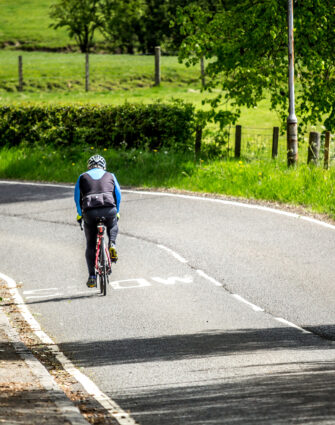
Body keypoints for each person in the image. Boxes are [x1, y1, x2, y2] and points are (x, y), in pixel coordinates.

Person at [74, 154, 121, 288]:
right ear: (103, 166)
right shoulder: (110, 175)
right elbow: (118, 195)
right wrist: (117, 211)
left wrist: (79, 214)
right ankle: (112, 243)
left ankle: (92, 276)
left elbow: (77, 198)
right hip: (109, 209)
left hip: (90, 211)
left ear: (89, 166)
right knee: (112, 224)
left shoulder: (82, 177)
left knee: (90, 244)